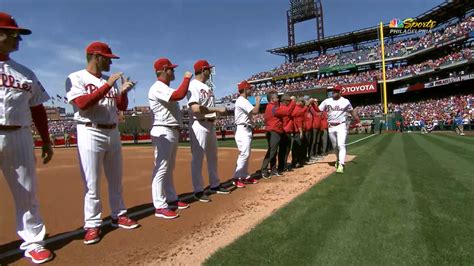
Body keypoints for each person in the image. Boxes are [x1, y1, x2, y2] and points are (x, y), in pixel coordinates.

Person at [66, 41, 139, 245]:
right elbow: (82, 104)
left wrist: (122, 92)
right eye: (108, 58)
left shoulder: (110, 80)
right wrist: (108, 86)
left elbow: (119, 106)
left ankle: (119, 214)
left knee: (116, 179)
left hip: (112, 130)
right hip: (90, 130)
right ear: (96, 57)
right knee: (92, 182)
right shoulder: (76, 77)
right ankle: (92, 224)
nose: (110, 62)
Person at [0, 12, 54, 264]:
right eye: (14, 34)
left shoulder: (25, 72)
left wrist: (46, 139)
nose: (18, 39)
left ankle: (33, 240)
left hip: (19, 134)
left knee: (27, 191)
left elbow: (38, 109)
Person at [148, 58, 193, 219]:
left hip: (171, 130)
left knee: (168, 168)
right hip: (162, 130)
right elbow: (179, 95)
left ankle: (172, 198)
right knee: (161, 168)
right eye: (172, 69)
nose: (174, 72)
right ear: (165, 70)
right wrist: (187, 78)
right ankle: (159, 206)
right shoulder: (158, 87)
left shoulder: (164, 87)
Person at [186, 60, 230, 203]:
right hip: (199, 124)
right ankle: (198, 190)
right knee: (198, 159)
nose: (210, 71)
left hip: (210, 124)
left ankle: (214, 184)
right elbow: (195, 108)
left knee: (213, 157)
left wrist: (215, 113)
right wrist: (217, 109)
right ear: (203, 69)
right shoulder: (193, 85)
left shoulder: (206, 86)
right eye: (209, 69)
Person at [317, 86, 360, 174]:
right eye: (333, 90)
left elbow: (352, 112)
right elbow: (318, 110)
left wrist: (357, 120)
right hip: (331, 126)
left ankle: (341, 164)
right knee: (335, 147)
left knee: (341, 145)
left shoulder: (345, 101)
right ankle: (338, 160)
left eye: (336, 91)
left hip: (341, 125)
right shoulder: (327, 101)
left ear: (340, 92)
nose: (334, 92)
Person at [232, 80, 261, 188]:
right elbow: (255, 111)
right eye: (249, 88)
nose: (251, 90)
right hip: (242, 130)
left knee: (246, 154)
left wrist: (253, 124)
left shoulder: (243, 100)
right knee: (244, 154)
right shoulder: (242, 100)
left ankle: (244, 175)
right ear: (244, 89)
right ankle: (236, 177)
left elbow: (248, 116)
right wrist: (258, 100)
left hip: (246, 129)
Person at [260, 91, 293, 178]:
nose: (278, 99)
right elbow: (287, 111)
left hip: (274, 131)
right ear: (272, 99)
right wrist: (292, 102)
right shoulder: (273, 107)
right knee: (272, 151)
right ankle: (263, 170)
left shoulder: (271, 106)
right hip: (274, 131)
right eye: (276, 98)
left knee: (273, 152)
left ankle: (273, 169)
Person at [278, 94, 296, 173]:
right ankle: (281, 166)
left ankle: (283, 165)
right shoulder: (283, 107)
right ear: (284, 101)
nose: (290, 102)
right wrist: (293, 101)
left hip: (287, 131)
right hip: (284, 132)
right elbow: (289, 111)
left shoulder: (284, 107)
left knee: (286, 150)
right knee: (283, 150)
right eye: (288, 101)